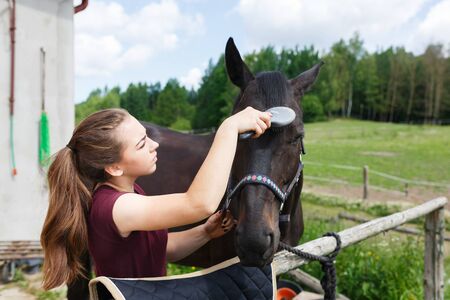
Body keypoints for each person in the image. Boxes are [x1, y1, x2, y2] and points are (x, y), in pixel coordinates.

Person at [40, 107, 271, 290]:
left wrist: (205, 232)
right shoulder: (117, 206)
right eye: (142, 144)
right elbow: (200, 203)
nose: (155, 144)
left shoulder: (130, 194)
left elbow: (160, 248)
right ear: (115, 167)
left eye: (146, 136)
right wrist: (229, 129)